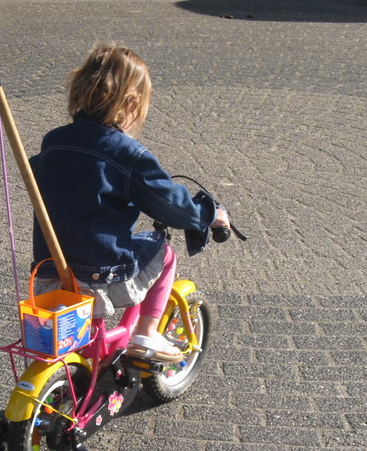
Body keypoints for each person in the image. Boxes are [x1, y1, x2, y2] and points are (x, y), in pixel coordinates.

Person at [30, 42, 229, 363]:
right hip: (99, 273)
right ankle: (147, 333)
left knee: (86, 291)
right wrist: (209, 215)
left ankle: (90, 357)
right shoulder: (127, 154)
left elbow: (39, 170)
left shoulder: (53, 141)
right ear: (132, 103)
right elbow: (170, 204)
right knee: (162, 252)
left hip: (51, 269)